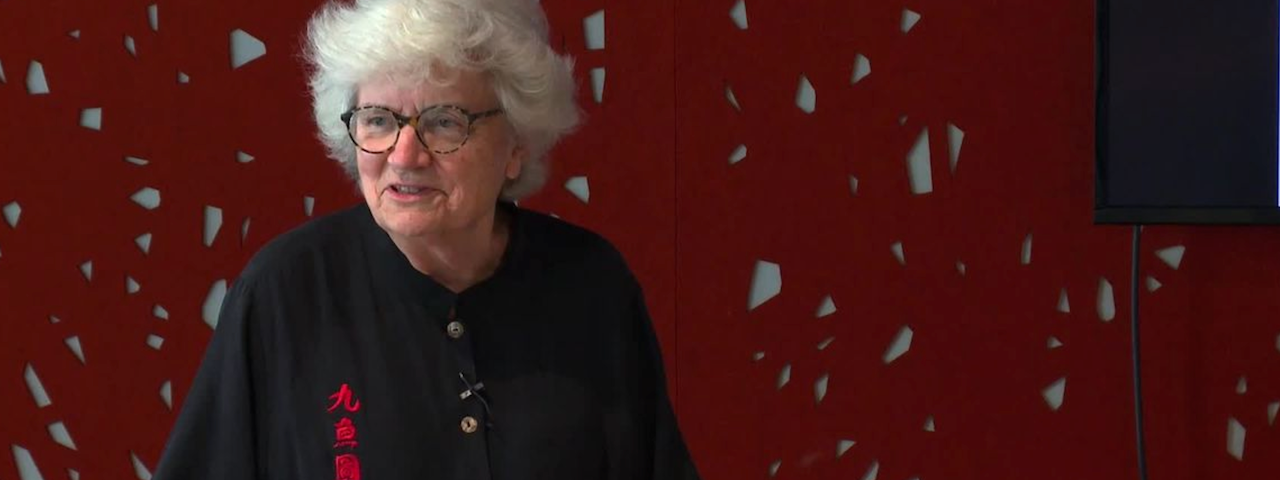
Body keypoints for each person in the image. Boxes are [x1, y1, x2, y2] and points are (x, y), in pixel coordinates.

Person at [152, 0, 700, 478]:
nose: (404, 156)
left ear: (517, 144)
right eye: (378, 121)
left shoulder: (592, 286)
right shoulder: (286, 292)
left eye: (444, 122)